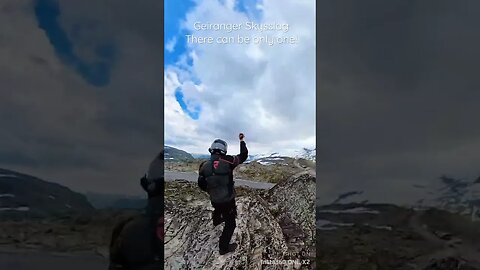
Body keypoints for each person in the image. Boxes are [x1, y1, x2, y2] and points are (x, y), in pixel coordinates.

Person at [198, 133, 248, 255]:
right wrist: (242, 141)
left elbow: (201, 184)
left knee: (218, 208)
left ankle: (216, 220)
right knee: (231, 224)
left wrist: (211, 190)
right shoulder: (229, 160)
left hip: (214, 199)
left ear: (212, 149)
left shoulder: (204, 166)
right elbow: (243, 155)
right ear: (223, 150)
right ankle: (223, 248)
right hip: (228, 200)